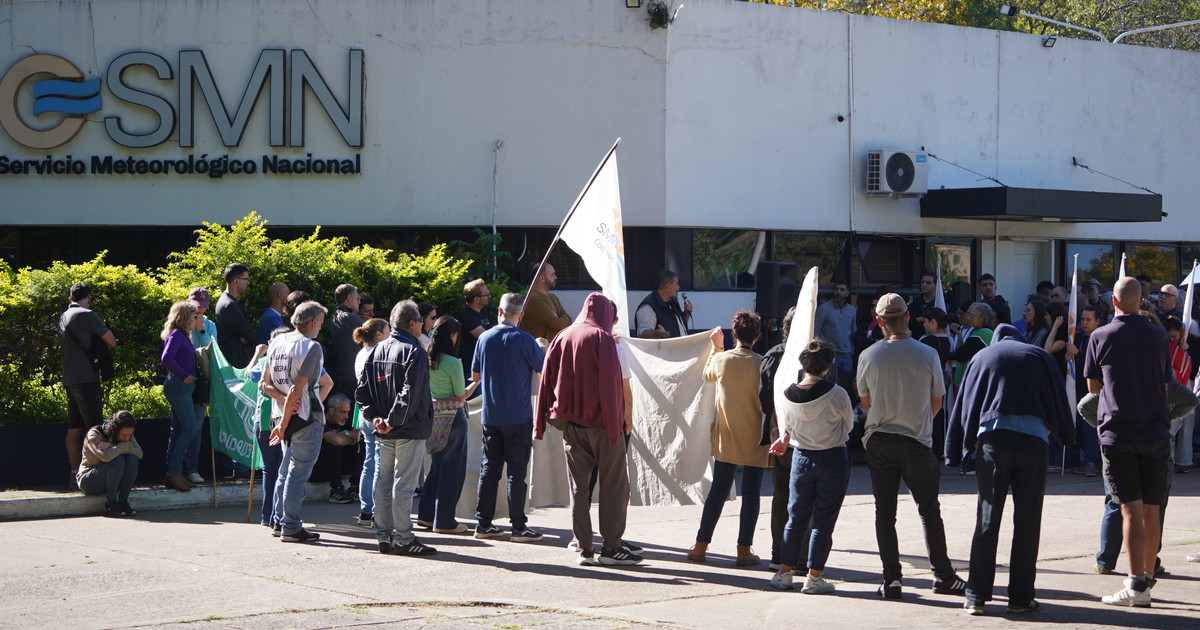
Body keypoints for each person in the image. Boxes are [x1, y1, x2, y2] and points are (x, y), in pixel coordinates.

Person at [949, 324, 1074, 616]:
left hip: (994, 443)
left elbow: (967, 402)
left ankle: (976, 596)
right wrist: (1060, 433)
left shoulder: (983, 356)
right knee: (1028, 521)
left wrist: (964, 445)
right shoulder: (1039, 356)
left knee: (987, 518)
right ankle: (1020, 597)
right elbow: (1057, 399)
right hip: (1033, 443)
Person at [856, 293, 966, 599]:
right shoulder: (927, 353)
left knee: (884, 512)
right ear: (907, 317)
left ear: (879, 321)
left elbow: (865, 403)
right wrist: (918, 420)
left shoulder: (869, 355)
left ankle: (891, 579)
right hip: (916, 441)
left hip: (880, 439)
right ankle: (943, 575)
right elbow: (937, 401)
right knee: (929, 510)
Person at [1086, 277, 1174, 607]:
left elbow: (1093, 388)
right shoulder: (1158, 335)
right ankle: (1145, 580)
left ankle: (1136, 584)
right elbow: (1166, 383)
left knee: (1130, 510)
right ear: (1141, 301)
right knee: (1152, 509)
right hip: (1155, 430)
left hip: (1119, 431)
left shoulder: (1100, 336)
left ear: (1114, 302)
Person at [536, 292, 639, 565]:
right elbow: (621, 390)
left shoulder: (563, 336)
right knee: (614, 486)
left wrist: (546, 414)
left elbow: (548, 375)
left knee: (579, 488)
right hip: (605, 425)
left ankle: (583, 547)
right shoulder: (608, 343)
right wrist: (625, 423)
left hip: (572, 424)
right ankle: (612, 548)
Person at [767, 339, 854, 594]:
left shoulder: (787, 395)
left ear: (803, 364)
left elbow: (788, 428)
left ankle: (784, 573)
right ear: (828, 367)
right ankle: (814, 577)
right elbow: (849, 425)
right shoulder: (838, 393)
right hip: (833, 457)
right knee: (823, 521)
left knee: (795, 518)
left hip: (802, 458)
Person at [689, 311, 771, 567]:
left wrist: (717, 347)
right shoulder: (762, 363)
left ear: (734, 334)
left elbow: (707, 376)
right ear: (757, 337)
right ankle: (744, 550)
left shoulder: (722, 360)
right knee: (752, 494)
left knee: (718, 491)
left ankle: (701, 546)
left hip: (727, 436)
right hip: (756, 436)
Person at [356, 300, 437, 556]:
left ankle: (384, 535)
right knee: (403, 485)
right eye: (421, 321)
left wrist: (377, 418)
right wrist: (389, 420)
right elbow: (410, 393)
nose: (423, 326)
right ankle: (403, 538)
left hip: (386, 428)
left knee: (384, 482)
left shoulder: (377, 350)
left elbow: (362, 392)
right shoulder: (414, 352)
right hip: (407, 428)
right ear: (412, 324)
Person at [473, 292, 546, 542]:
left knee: (489, 470)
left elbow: (476, 376)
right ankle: (518, 527)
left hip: (491, 414)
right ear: (521, 315)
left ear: (500, 311)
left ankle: (483, 524)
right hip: (518, 415)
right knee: (516, 473)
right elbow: (543, 369)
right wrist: (542, 349)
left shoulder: (484, 338)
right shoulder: (525, 340)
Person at [266, 301, 330, 544]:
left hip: (280, 414)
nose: (320, 328)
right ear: (313, 322)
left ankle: (279, 521)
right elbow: (296, 390)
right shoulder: (311, 347)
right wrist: (284, 424)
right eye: (320, 323)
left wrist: (282, 419)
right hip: (304, 418)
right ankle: (290, 526)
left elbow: (265, 385)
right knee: (297, 474)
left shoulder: (276, 342)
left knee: (285, 471)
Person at [417, 316, 479, 533]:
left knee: (435, 468)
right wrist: (476, 383)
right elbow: (461, 396)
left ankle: (425, 516)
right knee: (452, 470)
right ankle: (444, 521)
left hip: (432, 417)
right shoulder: (453, 363)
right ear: (453, 336)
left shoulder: (425, 359)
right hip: (453, 418)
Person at [59, 282, 118, 483]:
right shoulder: (87, 315)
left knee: (74, 427)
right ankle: (91, 475)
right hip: (86, 379)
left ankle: (74, 473)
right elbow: (111, 341)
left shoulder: (64, 316)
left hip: (69, 379)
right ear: (89, 299)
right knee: (95, 428)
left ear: (70, 299)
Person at [759, 307, 802, 572]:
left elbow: (764, 398)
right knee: (803, 498)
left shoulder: (773, 355)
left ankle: (778, 554)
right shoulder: (809, 357)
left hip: (778, 435)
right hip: (803, 438)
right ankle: (799, 559)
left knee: (781, 496)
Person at [351, 317, 391, 527]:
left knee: (369, 460)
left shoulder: (361, 353)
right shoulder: (379, 354)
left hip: (363, 411)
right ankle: (376, 510)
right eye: (387, 331)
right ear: (378, 334)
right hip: (377, 411)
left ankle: (366, 510)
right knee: (378, 462)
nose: (390, 335)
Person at [161, 300, 201, 493]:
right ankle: (174, 472)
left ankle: (173, 474)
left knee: (179, 430)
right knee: (190, 428)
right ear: (185, 317)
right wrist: (184, 375)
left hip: (183, 388)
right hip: (178, 386)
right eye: (194, 316)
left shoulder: (182, 334)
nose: (197, 319)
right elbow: (166, 357)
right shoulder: (177, 334)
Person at [77, 410, 143, 517]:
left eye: (129, 435)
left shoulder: (127, 434)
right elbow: (106, 457)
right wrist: (124, 447)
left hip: (113, 479)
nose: (127, 438)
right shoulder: (94, 434)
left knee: (132, 459)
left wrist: (112, 448)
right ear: (115, 430)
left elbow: (139, 454)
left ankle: (123, 501)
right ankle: (111, 503)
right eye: (124, 435)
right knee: (118, 460)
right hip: (89, 482)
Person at [1071, 306, 1102, 477]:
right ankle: (1084, 458)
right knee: (1081, 426)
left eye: (1088, 320)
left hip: (1094, 389)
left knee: (1090, 427)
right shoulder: (1080, 337)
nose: (1084, 323)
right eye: (1082, 319)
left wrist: (1078, 354)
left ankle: (1092, 461)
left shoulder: (1100, 339)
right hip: (1079, 387)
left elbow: (1096, 364)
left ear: (1097, 321)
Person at [920, 307, 953, 462]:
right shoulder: (948, 340)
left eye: (925, 322)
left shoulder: (926, 341)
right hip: (942, 381)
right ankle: (938, 450)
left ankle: (929, 449)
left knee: (927, 417)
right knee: (938, 415)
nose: (923, 325)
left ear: (933, 322)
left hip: (926, 383)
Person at [316, 394, 358, 504]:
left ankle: (355, 487)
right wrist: (349, 435)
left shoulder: (346, 421)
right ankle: (336, 490)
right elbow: (337, 440)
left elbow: (359, 435)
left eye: (348, 412)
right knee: (333, 446)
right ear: (331, 410)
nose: (346, 416)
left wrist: (345, 434)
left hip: (341, 465)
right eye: (343, 412)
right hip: (319, 469)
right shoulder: (321, 422)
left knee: (359, 445)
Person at [814, 281, 857, 384]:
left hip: (847, 356)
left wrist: (851, 350)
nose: (838, 292)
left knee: (847, 386)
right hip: (830, 356)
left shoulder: (852, 310)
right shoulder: (823, 309)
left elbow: (853, 332)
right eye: (836, 289)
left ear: (847, 293)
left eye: (842, 290)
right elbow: (816, 331)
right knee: (830, 385)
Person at [215, 263, 256, 369]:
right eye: (246, 279)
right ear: (236, 281)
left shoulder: (227, 301)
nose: (248, 283)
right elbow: (250, 335)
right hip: (236, 365)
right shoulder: (229, 305)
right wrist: (246, 337)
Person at [520, 263, 573, 341]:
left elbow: (569, 320)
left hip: (551, 347)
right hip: (539, 348)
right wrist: (561, 319)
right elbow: (557, 324)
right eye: (552, 275)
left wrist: (560, 319)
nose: (556, 277)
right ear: (542, 278)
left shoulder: (553, 297)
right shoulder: (534, 299)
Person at [330, 283, 364, 400]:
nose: (359, 301)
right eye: (357, 298)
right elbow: (373, 337)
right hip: (354, 374)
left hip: (344, 373)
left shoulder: (335, 317)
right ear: (349, 298)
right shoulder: (350, 318)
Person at [636, 270, 692, 339]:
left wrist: (686, 314)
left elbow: (679, 327)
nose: (678, 287)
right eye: (677, 284)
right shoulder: (648, 307)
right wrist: (657, 333)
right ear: (668, 286)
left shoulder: (673, 303)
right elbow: (642, 334)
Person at [455, 279, 493, 379]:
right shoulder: (465, 314)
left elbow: (495, 332)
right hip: (470, 370)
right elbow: (485, 337)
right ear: (476, 299)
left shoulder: (484, 313)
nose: (489, 297)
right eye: (486, 295)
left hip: (483, 366)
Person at [908, 272, 942, 338]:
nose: (924, 285)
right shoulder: (915, 304)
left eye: (928, 283)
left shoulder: (938, 303)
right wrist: (916, 320)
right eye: (922, 282)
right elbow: (907, 321)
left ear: (935, 285)